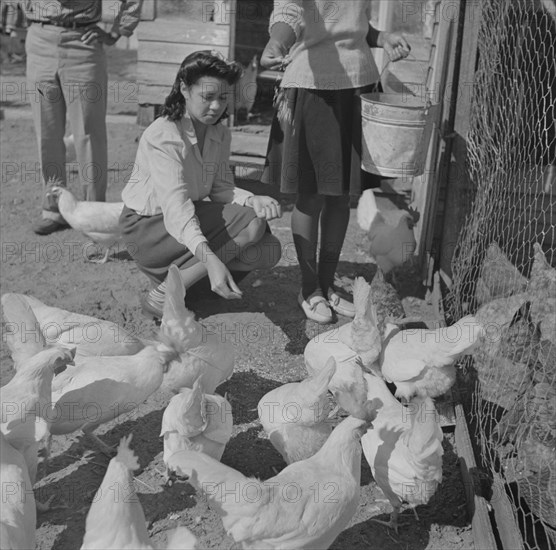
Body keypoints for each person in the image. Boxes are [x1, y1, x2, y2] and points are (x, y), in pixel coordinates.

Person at [260, 0, 411, 324]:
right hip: (315, 89)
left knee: (342, 197)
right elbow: (290, 10)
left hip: (358, 86)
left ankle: (327, 284)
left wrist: (380, 37)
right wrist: (279, 41)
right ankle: (309, 287)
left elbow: (350, 21)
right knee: (311, 195)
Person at [119, 50, 283, 319]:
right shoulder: (164, 135)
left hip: (184, 218)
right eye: (207, 97)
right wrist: (211, 259)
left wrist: (252, 199)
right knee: (252, 224)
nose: (217, 107)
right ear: (184, 89)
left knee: (268, 251)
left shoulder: (219, 132)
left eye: (223, 98)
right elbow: (177, 209)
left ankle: (190, 287)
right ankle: (166, 293)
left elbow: (219, 187)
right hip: (148, 227)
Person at [22, 0, 142, 235]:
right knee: (46, 132)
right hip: (39, 39)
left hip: (83, 43)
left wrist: (118, 31)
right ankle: (54, 208)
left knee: (89, 133)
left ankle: (93, 211)